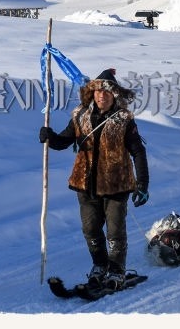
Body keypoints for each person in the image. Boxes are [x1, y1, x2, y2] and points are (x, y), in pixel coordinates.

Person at [39, 68, 149, 290]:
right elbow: (63, 142)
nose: (102, 95)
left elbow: (138, 152)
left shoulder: (124, 119)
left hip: (117, 185)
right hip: (85, 184)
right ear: (92, 93)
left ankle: (117, 271)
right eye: (98, 91)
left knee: (115, 233)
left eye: (106, 92)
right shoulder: (80, 116)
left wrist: (142, 184)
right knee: (90, 230)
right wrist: (49, 137)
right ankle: (100, 265)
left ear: (114, 95)